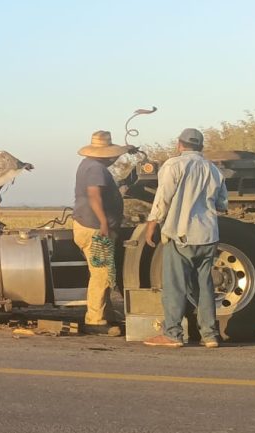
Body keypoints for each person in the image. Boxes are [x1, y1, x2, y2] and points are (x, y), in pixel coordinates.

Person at [143, 128, 228, 349]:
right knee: (205, 285)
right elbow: (222, 205)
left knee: (175, 286)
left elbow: (163, 198)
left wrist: (151, 224)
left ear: (179, 144)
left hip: (180, 234)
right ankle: (209, 335)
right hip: (208, 235)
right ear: (201, 147)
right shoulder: (214, 171)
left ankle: (173, 334)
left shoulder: (174, 165)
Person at [73, 130, 128, 336]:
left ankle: (106, 316)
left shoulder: (88, 165)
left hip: (88, 225)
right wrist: (104, 223)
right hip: (95, 227)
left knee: (100, 273)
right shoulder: (96, 169)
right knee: (101, 274)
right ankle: (95, 320)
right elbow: (94, 196)